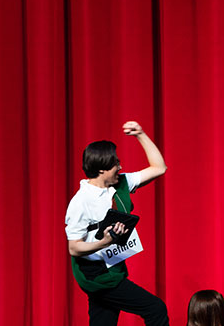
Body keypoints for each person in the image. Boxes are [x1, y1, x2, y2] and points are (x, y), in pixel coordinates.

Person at [65, 121, 169, 326]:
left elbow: (159, 168)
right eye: (115, 164)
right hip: (96, 276)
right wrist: (103, 243)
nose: (120, 167)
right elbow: (74, 247)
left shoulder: (121, 182)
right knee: (155, 308)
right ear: (102, 169)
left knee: (103, 320)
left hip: (114, 267)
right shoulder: (80, 202)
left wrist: (141, 134)